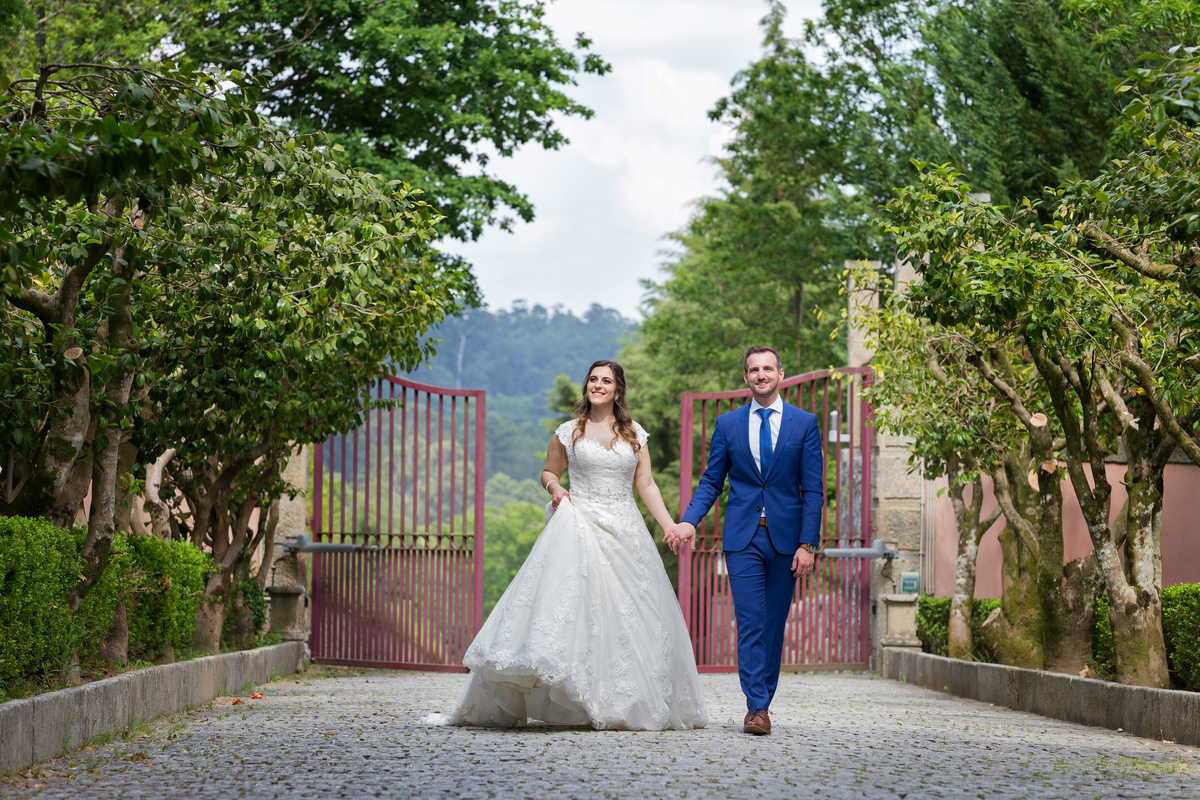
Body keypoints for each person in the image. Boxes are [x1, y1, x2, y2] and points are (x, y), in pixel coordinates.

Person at [429, 359, 707, 730]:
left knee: (627, 614)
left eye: (606, 380)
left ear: (618, 389)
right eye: (593, 379)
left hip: (625, 528)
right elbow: (548, 471)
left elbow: (646, 484)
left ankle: (621, 699)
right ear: (587, 387)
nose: (598, 385)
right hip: (580, 524)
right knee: (575, 609)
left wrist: (670, 525)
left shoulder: (635, 435)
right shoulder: (569, 432)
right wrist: (555, 487)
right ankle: (573, 693)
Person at [666, 346, 824, 736]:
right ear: (746, 378)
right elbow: (711, 480)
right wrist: (689, 521)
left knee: (774, 624)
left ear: (780, 374)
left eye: (767, 368)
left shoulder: (804, 424)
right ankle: (756, 709)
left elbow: (814, 490)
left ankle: (763, 701)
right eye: (754, 370)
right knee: (751, 621)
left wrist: (808, 544)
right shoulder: (729, 423)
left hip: (787, 540)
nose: (761, 375)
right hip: (743, 538)